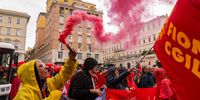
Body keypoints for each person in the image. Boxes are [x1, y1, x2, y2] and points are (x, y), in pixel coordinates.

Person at [14, 50, 78, 100]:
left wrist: (71, 59)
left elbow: (63, 75)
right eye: (41, 66)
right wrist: (53, 98)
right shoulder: (24, 93)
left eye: (45, 65)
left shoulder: (49, 83)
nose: (46, 67)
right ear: (32, 73)